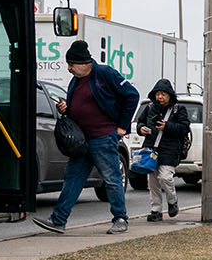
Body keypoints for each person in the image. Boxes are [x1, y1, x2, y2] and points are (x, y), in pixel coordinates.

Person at [35, 40, 139, 234]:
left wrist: (122, 127)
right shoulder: (76, 80)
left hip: (103, 137)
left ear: (84, 63)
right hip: (82, 141)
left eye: (71, 64)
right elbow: (80, 107)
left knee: (111, 178)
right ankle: (58, 220)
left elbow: (132, 95)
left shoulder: (105, 74)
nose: (69, 68)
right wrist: (67, 109)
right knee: (73, 179)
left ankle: (120, 218)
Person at [136, 79, 189, 222]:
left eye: (163, 94)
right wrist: (141, 129)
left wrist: (167, 127)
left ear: (170, 95)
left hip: (170, 149)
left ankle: (172, 200)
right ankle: (156, 210)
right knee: (152, 181)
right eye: (158, 94)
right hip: (151, 149)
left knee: (165, 177)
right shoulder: (150, 107)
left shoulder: (179, 109)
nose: (160, 97)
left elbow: (184, 128)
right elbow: (140, 122)